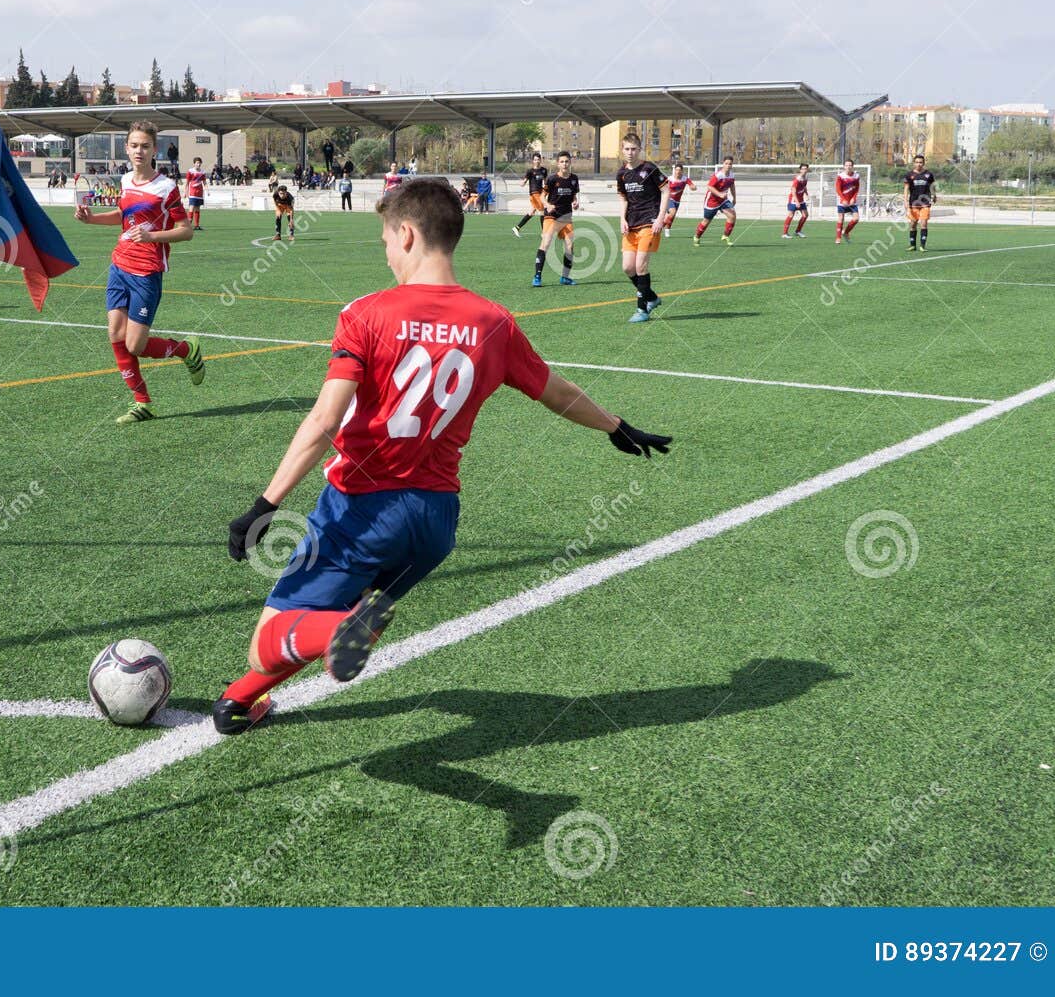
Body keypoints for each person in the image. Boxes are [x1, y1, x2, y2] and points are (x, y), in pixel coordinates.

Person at [213, 179, 672, 735]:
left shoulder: (366, 313)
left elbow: (323, 421)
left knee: (271, 641)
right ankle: (239, 702)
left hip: (361, 509)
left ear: (406, 234)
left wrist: (264, 503)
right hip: (433, 522)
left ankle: (331, 635)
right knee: (336, 609)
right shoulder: (493, 321)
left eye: (385, 238)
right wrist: (615, 426)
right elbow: (556, 392)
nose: (384, 251)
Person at [72, 121, 206, 425]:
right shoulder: (125, 180)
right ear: (126, 148)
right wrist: (91, 219)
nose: (139, 151)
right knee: (115, 335)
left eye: (145, 146)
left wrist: (152, 238)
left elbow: (185, 231)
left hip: (146, 272)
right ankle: (142, 403)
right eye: (134, 145)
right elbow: (123, 216)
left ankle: (186, 349)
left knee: (135, 345)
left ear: (154, 149)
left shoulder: (166, 187)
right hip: (119, 265)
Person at [616, 132, 669, 323]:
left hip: (649, 221)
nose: (630, 153)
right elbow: (622, 197)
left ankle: (642, 310)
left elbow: (666, 189)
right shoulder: (621, 173)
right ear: (622, 150)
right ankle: (652, 298)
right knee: (628, 268)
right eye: (627, 149)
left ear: (639, 150)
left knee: (640, 266)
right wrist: (622, 218)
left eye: (633, 149)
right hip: (631, 224)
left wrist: (660, 218)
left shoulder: (649, 168)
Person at [533, 150, 579, 287]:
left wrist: (576, 203)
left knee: (570, 246)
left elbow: (574, 196)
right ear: (558, 164)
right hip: (552, 217)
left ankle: (565, 277)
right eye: (562, 162)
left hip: (566, 218)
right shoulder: (552, 179)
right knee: (546, 243)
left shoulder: (574, 179)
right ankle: (537, 276)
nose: (564, 164)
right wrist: (547, 205)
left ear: (570, 163)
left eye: (566, 161)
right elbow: (542, 196)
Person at [694, 156, 738, 246]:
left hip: (723, 201)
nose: (728, 165)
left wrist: (734, 197)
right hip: (712, 201)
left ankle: (725, 236)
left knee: (732, 216)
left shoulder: (732, 175)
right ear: (723, 164)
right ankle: (697, 237)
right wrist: (720, 194)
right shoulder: (718, 175)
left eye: (730, 164)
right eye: (726, 163)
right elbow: (709, 186)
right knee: (706, 221)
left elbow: (732, 186)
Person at [901, 154, 938, 252]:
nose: (919, 164)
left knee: (924, 223)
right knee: (913, 224)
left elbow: (933, 186)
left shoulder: (928, 174)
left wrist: (934, 195)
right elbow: (906, 189)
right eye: (917, 162)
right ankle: (912, 245)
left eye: (921, 162)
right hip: (913, 203)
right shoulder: (909, 175)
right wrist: (905, 201)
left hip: (925, 202)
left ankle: (922, 246)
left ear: (924, 163)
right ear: (914, 163)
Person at [513, 152, 549, 236]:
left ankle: (517, 228)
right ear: (533, 161)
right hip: (534, 193)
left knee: (531, 212)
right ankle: (544, 233)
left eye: (538, 159)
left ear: (541, 160)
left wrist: (547, 190)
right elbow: (525, 181)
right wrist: (522, 183)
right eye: (535, 160)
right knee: (542, 211)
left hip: (540, 193)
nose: (537, 161)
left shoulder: (543, 170)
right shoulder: (530, 171)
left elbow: (546, 182)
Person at [662, 164, 693, 238]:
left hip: (677, 201)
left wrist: (693, 187)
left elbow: (692, 185)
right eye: (676, 170)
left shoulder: (685, 179)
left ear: (682, 171)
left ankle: (667, 231)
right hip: (669, 199)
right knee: (672, 212)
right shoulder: (670, 179)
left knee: (671, 217)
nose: (678, 172)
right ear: (674, 170)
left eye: (679, 170)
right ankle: (660, 226)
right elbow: (663, 186)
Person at [833, 160, 861, 243]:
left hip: (852, 201)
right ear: (844, 167)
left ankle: (846, 232)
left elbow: (856, 188)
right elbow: (838, 189)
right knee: (841, 219)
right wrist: (843, 199)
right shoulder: (840, 176)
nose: (848, 167)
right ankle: (838, 238)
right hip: (842, 201)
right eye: (846, 165)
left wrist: (854, 198)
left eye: (850, 165)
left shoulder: (856, 176)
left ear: (852, 166)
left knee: (856, 219)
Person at [782, 163, 810, 238]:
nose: (804, 170)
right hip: (794, 200)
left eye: (806, 169)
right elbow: (793, 191)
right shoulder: (797, 179)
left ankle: (798, 231)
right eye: (803, 169)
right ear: (800, 170)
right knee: (791, 215)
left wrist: (806, 194)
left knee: (805, 215)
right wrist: (797, 202)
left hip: (801, 199)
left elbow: (804, 187)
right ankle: (784, 233)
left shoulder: (806, 178)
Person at [184, 157, 207, 230]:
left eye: (200, 163)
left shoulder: (202, 172)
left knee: (197, 208)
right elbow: (187, 183)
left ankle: (197, 225)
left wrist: (207, 189)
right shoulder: (190, 171)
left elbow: (204, 182)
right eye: (197, 163)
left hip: (199, 193)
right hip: (192, 192)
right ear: (194, 163)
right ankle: (188, 225)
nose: (198, 164)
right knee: (192, 207)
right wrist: (185, 192)